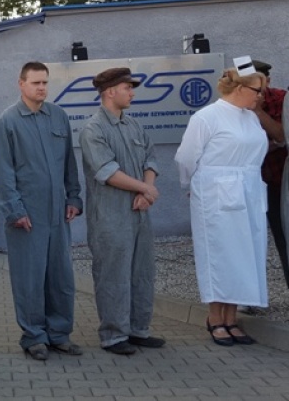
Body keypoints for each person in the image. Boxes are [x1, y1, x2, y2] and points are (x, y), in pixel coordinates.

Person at [0, 61, 83, 360]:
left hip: (57, 213)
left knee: (61, 277)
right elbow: (3, 173)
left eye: (45, 82)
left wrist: (74, 198)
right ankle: (33, 336)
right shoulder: (9, 121)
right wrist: (15, 211)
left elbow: (69, 162)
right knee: (30, 278)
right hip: (27, 215)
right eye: (35, 83)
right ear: (21, 84)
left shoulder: (58, 116)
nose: (42, 87)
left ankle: (59, 334)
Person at [175, 65, 268, 346]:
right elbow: (186, 157)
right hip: (216, 194)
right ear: (239, 89)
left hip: (249, 192)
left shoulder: (250, 118)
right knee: (220, 254)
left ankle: (232, 318)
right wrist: (193, 185)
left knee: (244, 255)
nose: (261, 96)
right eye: (257, 90)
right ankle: (215, 318)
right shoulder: (207, 117)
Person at [79, 68, 165, 355]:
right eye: (127, 87)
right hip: (110, 217)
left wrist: (146, 188)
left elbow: (151, 158)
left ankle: (138, 330)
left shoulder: (133, 126)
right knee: (113, 275)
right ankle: (114, 336)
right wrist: (144, 189)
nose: (132, 92)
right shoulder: (93, 129)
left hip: (139, 212)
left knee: (142, 272)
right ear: (110, 91)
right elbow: (107, 171)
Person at [251, 60, 288, 288]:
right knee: (249, 242)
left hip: (275, 181)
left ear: (268, 81)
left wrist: (257, 111)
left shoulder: (281, 99)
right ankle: (250, 297)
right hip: (248, 185)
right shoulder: (232, 103)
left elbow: (282, 136)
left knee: (283, 238)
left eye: (257, 83)